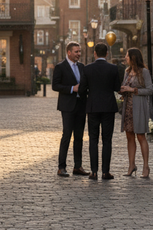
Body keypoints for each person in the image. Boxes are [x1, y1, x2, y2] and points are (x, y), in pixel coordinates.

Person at [80, 43, 122, 180]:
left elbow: (82, 89)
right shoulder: (113, 68)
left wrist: (91, 93)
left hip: (93, 107)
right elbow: (117, 87)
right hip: (108, 107)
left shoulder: (87, 68)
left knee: (93, 139)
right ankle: (105, 172)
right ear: (107, 54)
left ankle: (93, 172)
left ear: (94, 53)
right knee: (107, 140)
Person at [51, 41, 88, 177]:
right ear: (69, 52)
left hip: (81, 105)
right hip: (67, 106)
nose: (79, 54)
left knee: (79, 137)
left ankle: (77, 167)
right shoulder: (60, 67)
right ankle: (61, 167)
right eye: (76, 52)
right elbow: (55, 86)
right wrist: (72, 88)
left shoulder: (82, 67)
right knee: (66, 135)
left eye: (79, 51)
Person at [119, 48, 153, 178]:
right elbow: (125, 86)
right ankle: (131, 165)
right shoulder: (127, 71)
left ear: (133, 57)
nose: (125, 58)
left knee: (140, 136)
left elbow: (149, 90)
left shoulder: (144, 72)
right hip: (128, 107)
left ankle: (146, 166)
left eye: (127, 56)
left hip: (139, 107)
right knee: (129, 137)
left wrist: (133, 90)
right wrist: (122, 90)